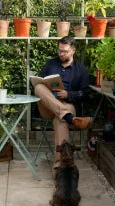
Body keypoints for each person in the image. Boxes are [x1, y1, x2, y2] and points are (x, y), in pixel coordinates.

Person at [34, 36, 93, 168]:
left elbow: (85, 93)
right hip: (48, 106)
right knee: (38, 87)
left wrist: (69, 94)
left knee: (60, 120)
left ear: (73, 50)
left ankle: (61, 164)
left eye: (64, 51)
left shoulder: (81, 70)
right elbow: (39, 82)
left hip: (68, 104)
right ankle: (68, 116)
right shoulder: (50, 64)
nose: (61, 54)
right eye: (59, 51)